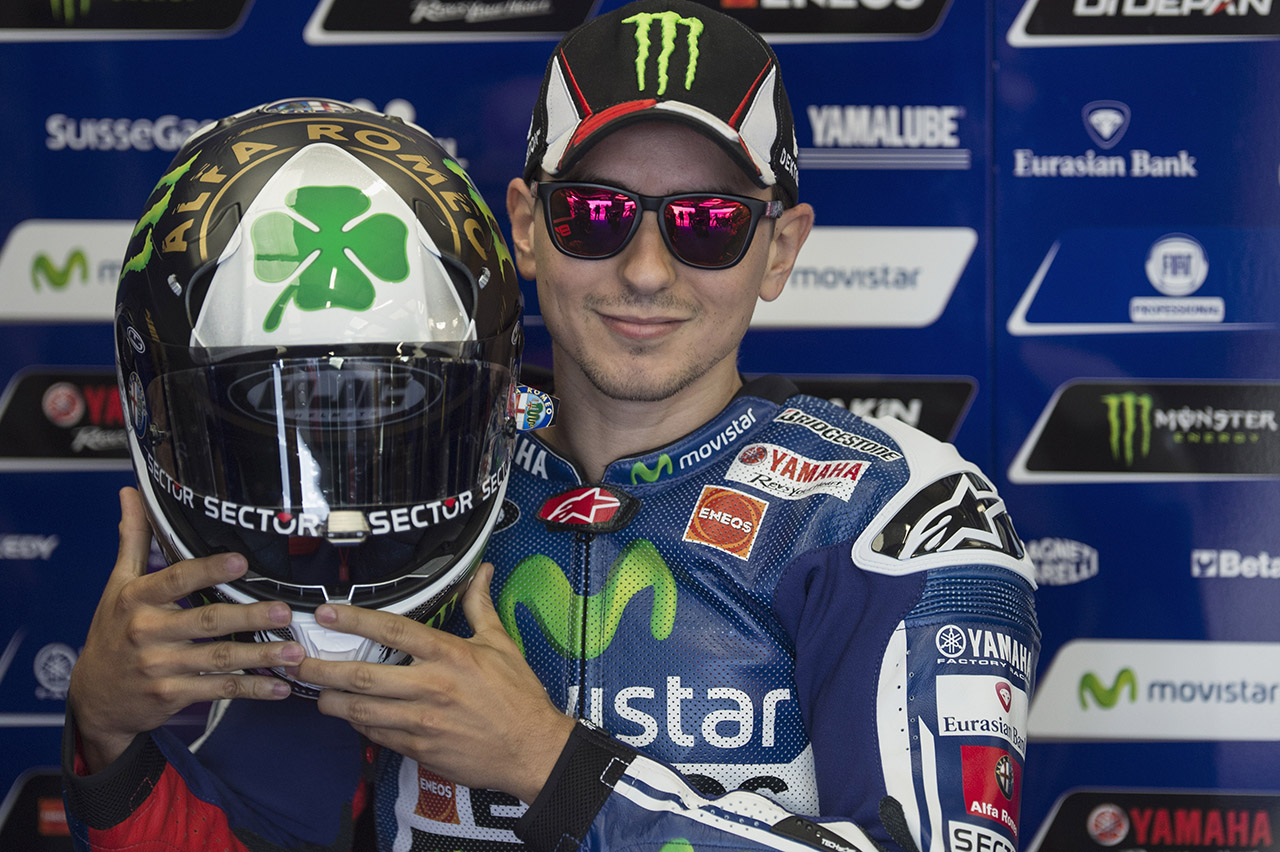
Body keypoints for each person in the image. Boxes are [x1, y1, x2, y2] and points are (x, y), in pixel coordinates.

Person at [63, 3, 1040, 851]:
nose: (646, 271)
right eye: (595, 215)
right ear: (526, 227)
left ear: (779, 249)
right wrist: (105, 734)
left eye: (707, 223)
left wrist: (552, 767)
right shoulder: (407, 481)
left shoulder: (893, 513)